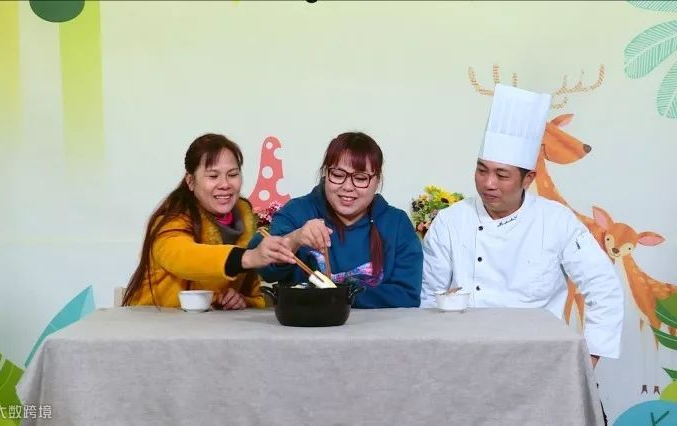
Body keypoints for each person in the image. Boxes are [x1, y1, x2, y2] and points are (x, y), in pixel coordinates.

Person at [420, 84, 624, 366]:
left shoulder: (556, 221)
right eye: (481, 170)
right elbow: (429, 300)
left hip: (541, 361)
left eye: (502, 175)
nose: (488, 183)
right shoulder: (450, 221)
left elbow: (603, 286)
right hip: (464, 359)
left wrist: (588, 360)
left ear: (528, 179)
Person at [249, 131, 423, 308]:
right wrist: (294, 239)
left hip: (377, 325)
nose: (347, 187)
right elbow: (261, 263)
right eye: (338, 175)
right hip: (307, 322)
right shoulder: (298, 212)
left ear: (377, 181)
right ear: (326, 173)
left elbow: (407, 295)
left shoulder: (396, 224)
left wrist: (339, 295)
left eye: (360, 178)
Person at [122, 133, 295, 309]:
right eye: (213, 176)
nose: (225, 184)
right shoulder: (170, 221)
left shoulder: (245, 222)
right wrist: (249, 257)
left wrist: (243, 300)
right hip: (155, 321)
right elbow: (185, 258)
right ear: (191, 181)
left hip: (210, 325)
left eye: (232, 174)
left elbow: (255, 297)